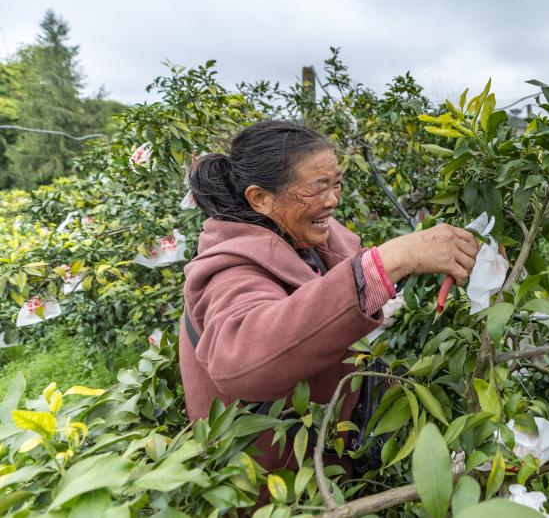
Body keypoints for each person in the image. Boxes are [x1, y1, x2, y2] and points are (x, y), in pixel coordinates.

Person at [180, 120, 479, 470]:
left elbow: (334, 283)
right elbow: (245, 358)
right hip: (277, 492)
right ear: (260, 198)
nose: (333, 200)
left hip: (329, 463)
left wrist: (419, 261)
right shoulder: (230, 270)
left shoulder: (304, 240)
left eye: (336, 185)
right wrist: (392, 261)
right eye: (318, 187)